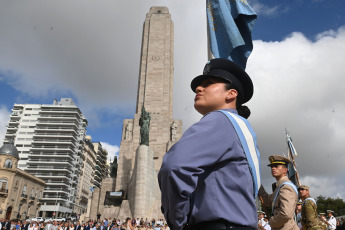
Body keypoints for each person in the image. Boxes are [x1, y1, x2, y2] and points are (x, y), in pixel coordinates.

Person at [158, 58, 261, 230]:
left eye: (209, 83)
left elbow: (174, 167)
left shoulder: (219, 120)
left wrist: (177, 222)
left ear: (231, 94)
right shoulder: (241, 127)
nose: (198, 88)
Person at [259, 155, 299, 230]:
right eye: (272, 167)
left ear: (285, 170)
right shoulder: (279, 187)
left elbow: (286, 214)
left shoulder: (286, 187)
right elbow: (267, 201)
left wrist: (271, 221)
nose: (273, 168)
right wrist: (258, 184)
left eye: (276, 166)